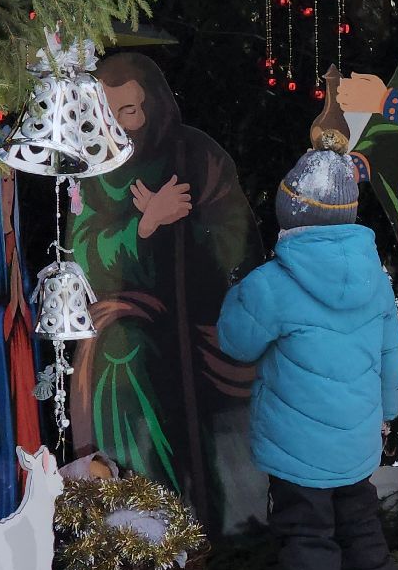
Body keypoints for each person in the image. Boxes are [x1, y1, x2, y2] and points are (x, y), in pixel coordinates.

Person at [218, 146, 398, 570]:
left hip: (296, 443)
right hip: (358, 435)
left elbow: (235, 342)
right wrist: (386, 411)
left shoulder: (272, 284)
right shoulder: (376, 281)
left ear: (289, 215)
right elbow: (392, 353)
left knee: (306, 533)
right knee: (361, 524)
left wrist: (238, 292)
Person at [71, 53, 262, 528]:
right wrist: (146, 225)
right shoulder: (91, 167)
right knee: (123, 351)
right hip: (129, 312)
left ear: (154, 107)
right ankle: (143, 517)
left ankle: (214, 517)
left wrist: (189, 228)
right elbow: (82, 249)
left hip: (203, 312)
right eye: (108, 114)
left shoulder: (196, 154)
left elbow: (238, 239)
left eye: (131, 112)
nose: (120, 126)